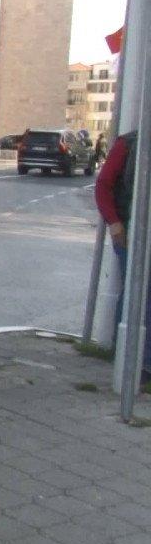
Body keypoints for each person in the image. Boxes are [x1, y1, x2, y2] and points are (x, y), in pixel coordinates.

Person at [95, 130, 147, 376]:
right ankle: (129, 359)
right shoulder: (129, 143)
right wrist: (115, 224)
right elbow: (103, 185)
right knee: (138, 293)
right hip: (130, 231)